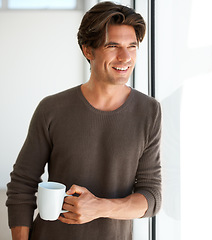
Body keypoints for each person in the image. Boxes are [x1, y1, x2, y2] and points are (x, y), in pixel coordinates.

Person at [6, 2, 162, 240]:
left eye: (132, 46)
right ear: (88, 50)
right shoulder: (51, 109)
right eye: (113, 46)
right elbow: (22, 186)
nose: (126, 57)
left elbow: (151, 195)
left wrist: (100, 207)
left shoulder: (149, 111)